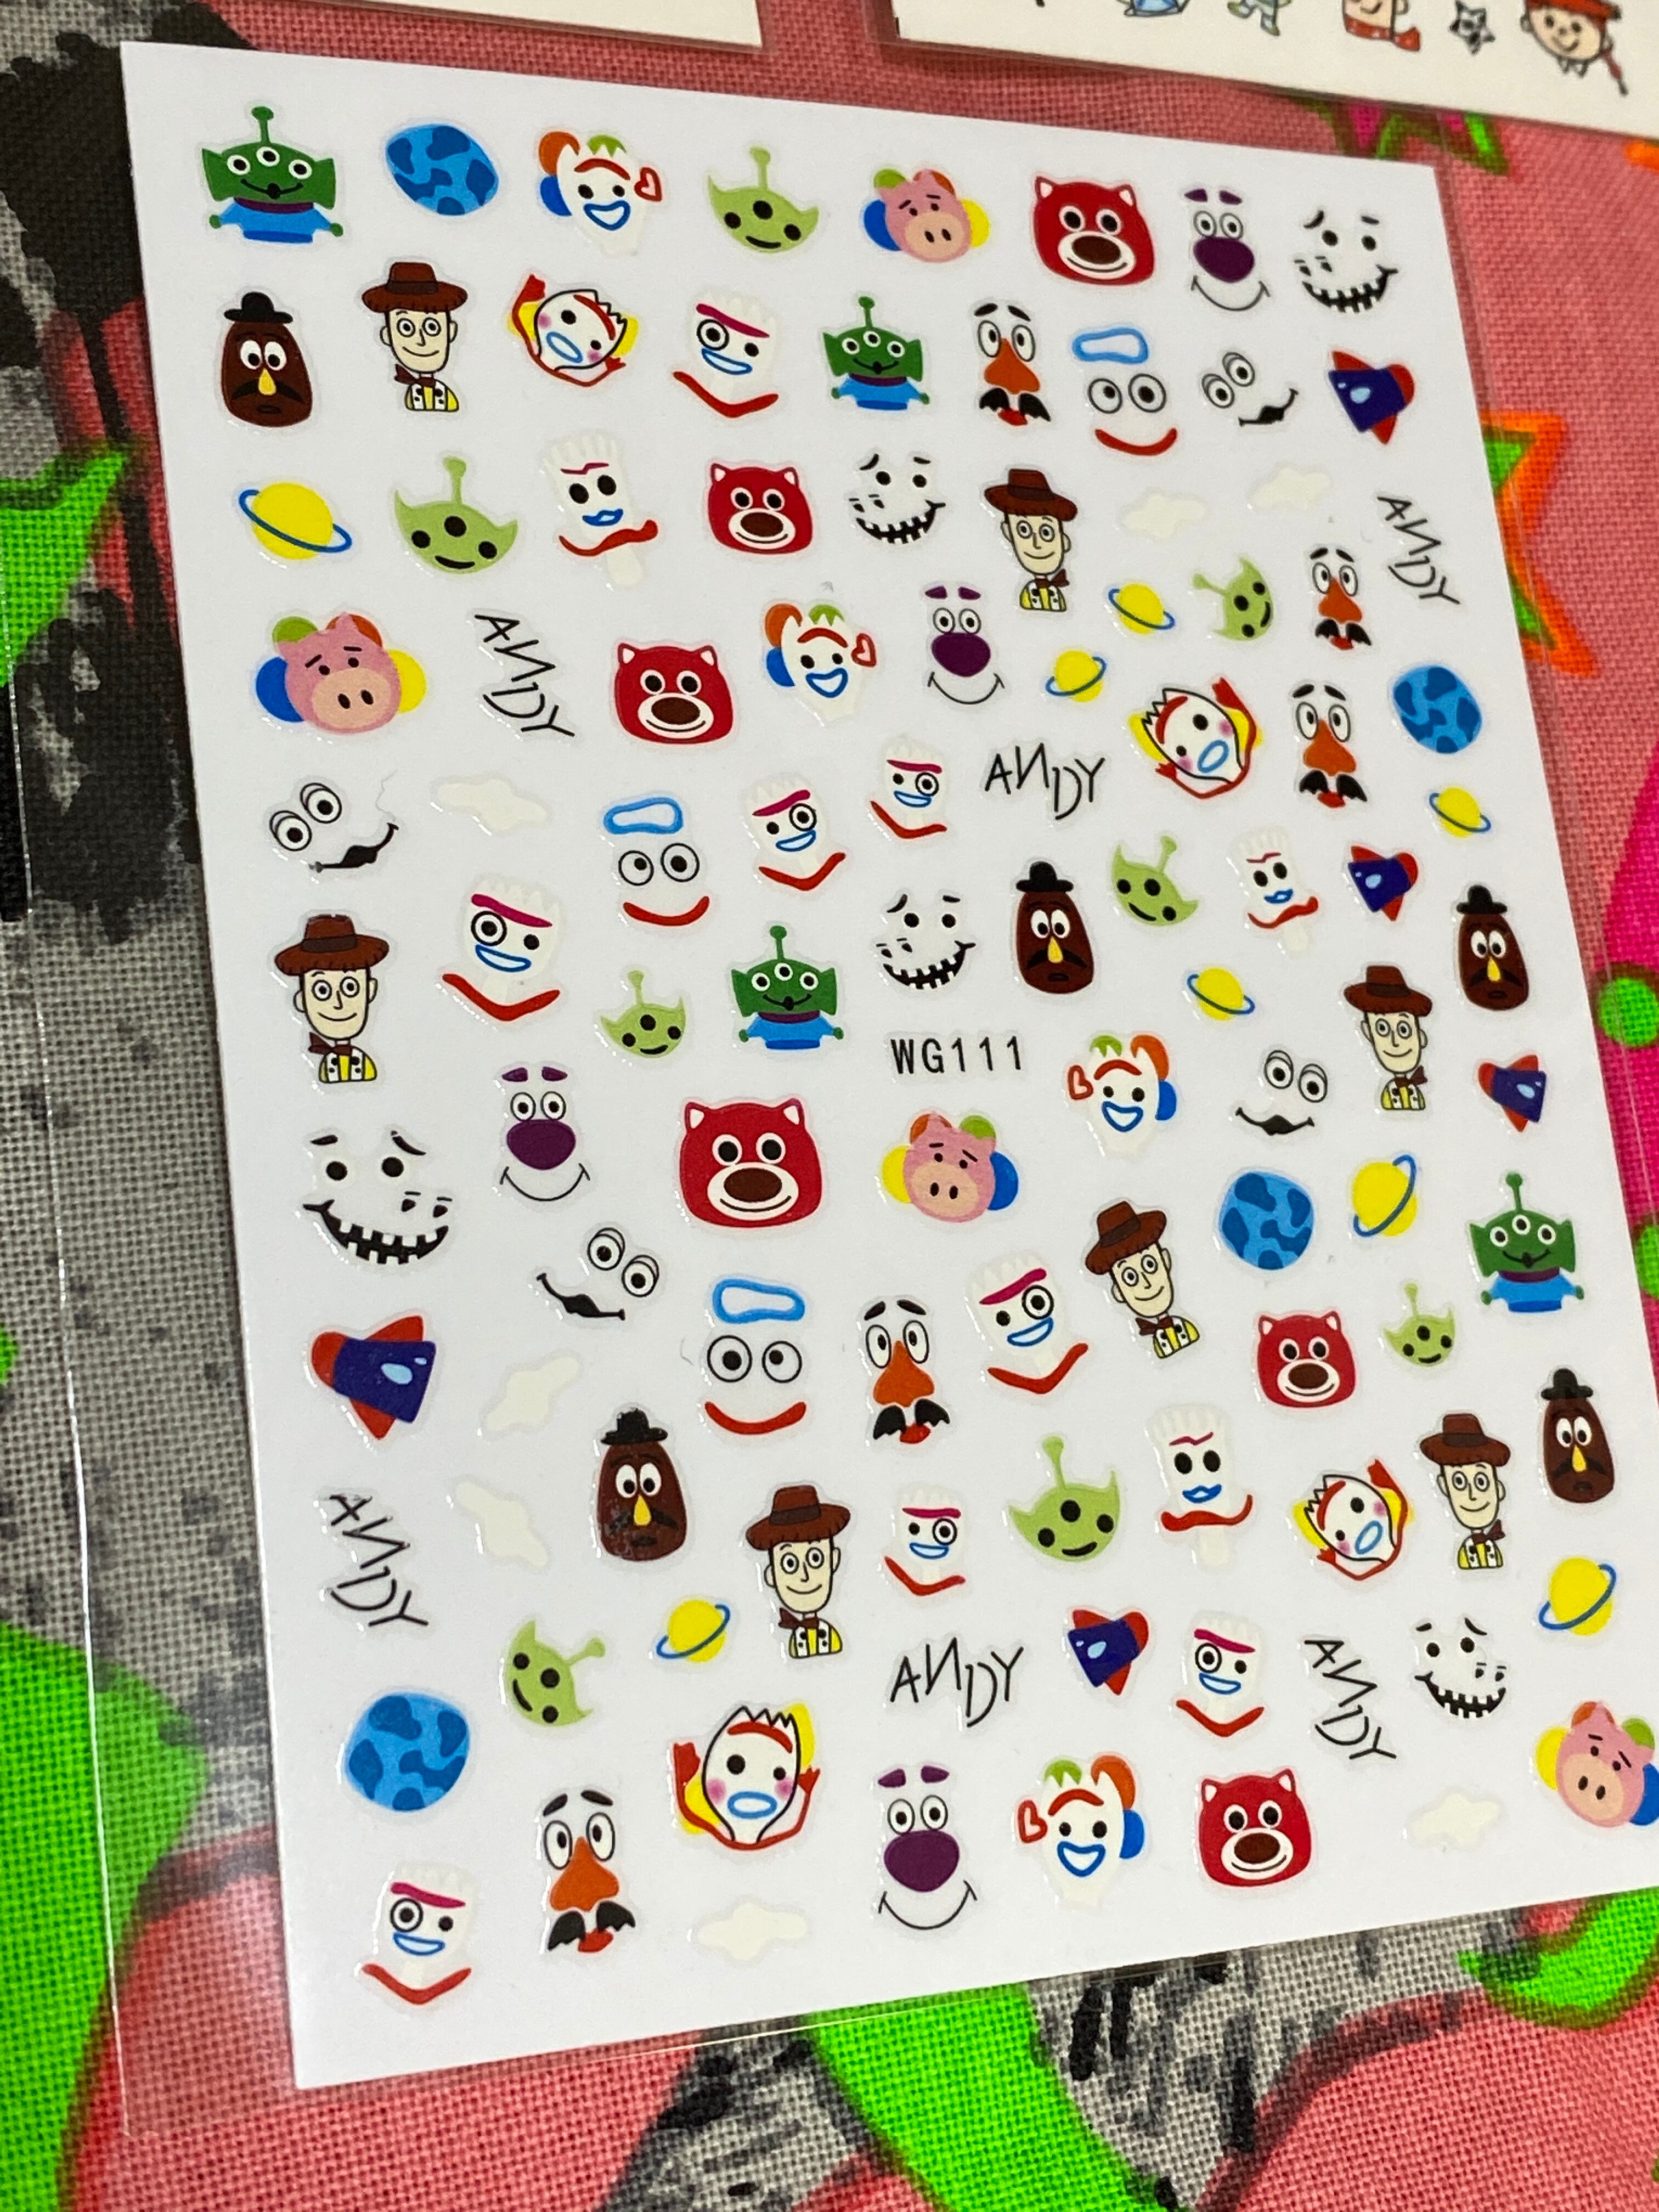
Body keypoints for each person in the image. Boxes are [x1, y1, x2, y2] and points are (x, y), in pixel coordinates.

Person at [273, 913, 388, 1083]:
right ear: (301, 1000)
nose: (338, 1004)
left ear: (370, 990)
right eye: (322, 991)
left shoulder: (363, 1062)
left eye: (350, 987)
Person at [744, 1485, 849, 1658]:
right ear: (771, 1575)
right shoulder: (795, 1639)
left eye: (815, 1558)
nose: (805, 1576)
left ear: (834, 1559)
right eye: (790, 1563)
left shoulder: (829, 1635)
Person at [360, 261, 467, 411]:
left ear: (451, 331)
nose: (421, 341)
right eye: (406, 328)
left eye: (432, 327)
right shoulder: (373, 392)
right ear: (387, 335)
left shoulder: (445, 394)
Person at [984, 468, 1076, 614]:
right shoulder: (1027, 592)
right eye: (1024, 530)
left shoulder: (1055, 593)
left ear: (1064, 541)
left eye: (1046, 533)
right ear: (1008, 533)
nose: (1037, 544)